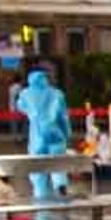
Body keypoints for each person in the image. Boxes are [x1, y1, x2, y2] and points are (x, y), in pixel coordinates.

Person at [17, 66, 71, 198]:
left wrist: (33, 113)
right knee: (58, 165)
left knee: (37, 171)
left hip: (37, 137)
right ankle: (60, 186)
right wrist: (67, 133)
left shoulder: (26, 94)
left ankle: (40, 195)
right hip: (56, 136)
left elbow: (20, 106)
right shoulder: (57, 94)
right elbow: (63, 118)